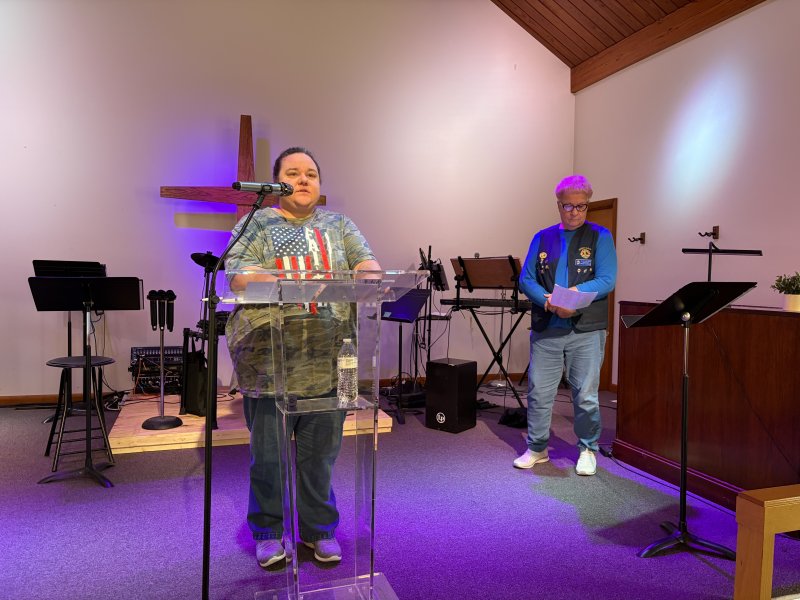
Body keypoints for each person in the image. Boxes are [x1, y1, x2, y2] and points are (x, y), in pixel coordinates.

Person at [224, 147, 381, 568]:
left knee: (322, 454)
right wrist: (299, 283)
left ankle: (318, 530)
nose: (304, 179)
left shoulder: (340, 224)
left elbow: (368, 266)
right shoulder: (255, 223)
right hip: (269, 362)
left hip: (337, 359)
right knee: (269, 457)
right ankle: (268, 531)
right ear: (277, 182)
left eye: (311, 173)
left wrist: (368, 278)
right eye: (293, 173)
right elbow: (238, 275)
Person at [514, 174, 617, 476]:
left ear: (588, 206)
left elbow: (607, 278)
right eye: (568, 206)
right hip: (548, 325)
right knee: (539, 392)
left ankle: (587, 449)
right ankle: (537, 448)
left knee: (584, 393)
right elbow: (526, 278)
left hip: (586, 328)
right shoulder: (542, 237)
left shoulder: (601, 236)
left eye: (581, 207)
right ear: (558, 205)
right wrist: (547, 301)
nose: (575, 212)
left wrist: (574, 296)